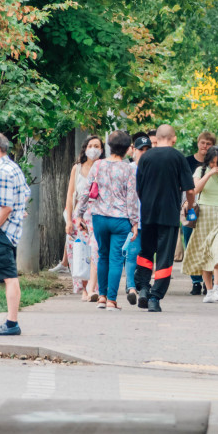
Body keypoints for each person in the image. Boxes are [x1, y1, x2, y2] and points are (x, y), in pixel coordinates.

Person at [135, 124, 196, 313]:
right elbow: (190, 190)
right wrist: (190, 206)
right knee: (164, 257)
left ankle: (143, 288)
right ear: (174, 138)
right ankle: (155, 297)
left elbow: (139, 188)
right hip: (168, 215)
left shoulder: (145, 158)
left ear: (158, 137)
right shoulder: (178, 157)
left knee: (146, 252)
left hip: (147, 214)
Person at [75, 131, 138, 311]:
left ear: (109, 146)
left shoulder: (98, 165)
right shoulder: (129, 169)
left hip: (99, 217)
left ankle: (101, 297)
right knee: (116, 259)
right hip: (120, 219)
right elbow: (132, 198)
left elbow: (86, 192)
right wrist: (135, 223)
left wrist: (79, 214)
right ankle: (111, 300)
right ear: (127, 149)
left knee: (102, 256)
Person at [0, 132, 31, 336]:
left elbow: (6, 207)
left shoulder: (2, 172)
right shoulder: (13, 167)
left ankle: (12, 323)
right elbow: (25, 193)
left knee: (10, 278)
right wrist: (19, 211)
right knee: (10, 277)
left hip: (1, 231)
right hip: (10, 231)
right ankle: (11, 322)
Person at [183, 146, 218, 303]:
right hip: (204, 216)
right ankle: (209, 290)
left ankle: (217, 287)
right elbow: (195, 190)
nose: (216, 165)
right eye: (212, 162)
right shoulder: (200, 171)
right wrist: (209, 173)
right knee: (205, 254)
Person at [61, 135, 105, 300]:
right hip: (77, 216)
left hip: (97, 214)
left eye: (97, 146)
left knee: (95, 251)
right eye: (91, 145)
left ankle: (95, 287)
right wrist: (68, 221)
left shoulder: (103, 167)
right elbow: (71, 194)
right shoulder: (77, 169)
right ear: (85, 148)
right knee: (79, 252)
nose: (94, 149)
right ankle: (84, 289)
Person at [119, 133, 150, 305]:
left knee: (145, 255)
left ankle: (143, 286)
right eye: (141, 149)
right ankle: (131, 287)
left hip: (149, 218)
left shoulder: (153, 169)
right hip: (131, 218)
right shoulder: (128, 169)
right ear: (133, 150)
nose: (144, 152)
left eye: (147, 149)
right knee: (131, 253)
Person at [184, 132, 216, 295]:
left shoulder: (216, 164)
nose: (205, 146)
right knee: (190, 241)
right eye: (203, 143)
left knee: (208, 245)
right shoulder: (187, 161)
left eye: (208, 144)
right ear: (197, 143)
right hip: (191, 207)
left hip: (211, 209)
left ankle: (206, 280)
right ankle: (195, 281)